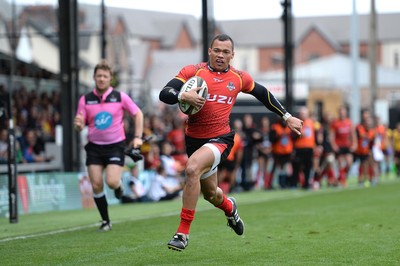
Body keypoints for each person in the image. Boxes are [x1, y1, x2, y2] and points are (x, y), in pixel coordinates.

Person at [159, 33, 303, 251]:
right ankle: (230, 208)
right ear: (209, 51)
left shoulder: (238, 77)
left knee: (192, 169)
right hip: (194, 140)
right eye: (217, 50)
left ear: (232, 55)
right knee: (211, 194)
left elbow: (264, 94)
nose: (220, 55)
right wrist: (182, 96)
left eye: (226, 52)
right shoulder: (193, 72)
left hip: (220, 139)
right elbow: (165, 93)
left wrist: (286, 116)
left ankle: (182, 233)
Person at [73, 60, 144, 231]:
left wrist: (137, 137)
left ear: (110, 78)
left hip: (115, 146)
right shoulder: (86, 99)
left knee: (111, 182)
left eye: (105, 76)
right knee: (96, 184)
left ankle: (119, 186)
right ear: (94, 78)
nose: (102, 79)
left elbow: (138, 114)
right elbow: (79, 125)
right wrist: (78, 125)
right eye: (99, 76)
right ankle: (106, 221)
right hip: (94, 147)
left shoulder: (120, 97)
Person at [329, 105, 357, 187]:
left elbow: (353, 134)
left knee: (349, 164)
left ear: (345, 113)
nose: (342, 114)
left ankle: (342, 177)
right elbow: (332, 136)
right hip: (339, 146)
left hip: (347, 145)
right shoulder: (335, 123)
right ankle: (342, 180)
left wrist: (354, 144)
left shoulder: (349, 122)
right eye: (340, 112)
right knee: (340, 164)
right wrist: (334, 145)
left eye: (343, 112)